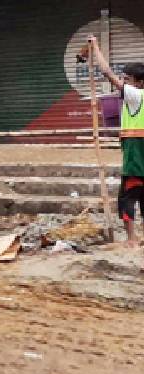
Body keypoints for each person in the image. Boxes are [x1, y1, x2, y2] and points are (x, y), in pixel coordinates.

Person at [88, 35, 144, 246]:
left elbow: (107, 73)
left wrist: (95, 47)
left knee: (128, 197)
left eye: (127, 79)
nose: (123, 83)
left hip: (136, 157)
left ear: (139, 82)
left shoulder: (136, 95)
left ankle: (131, 238)